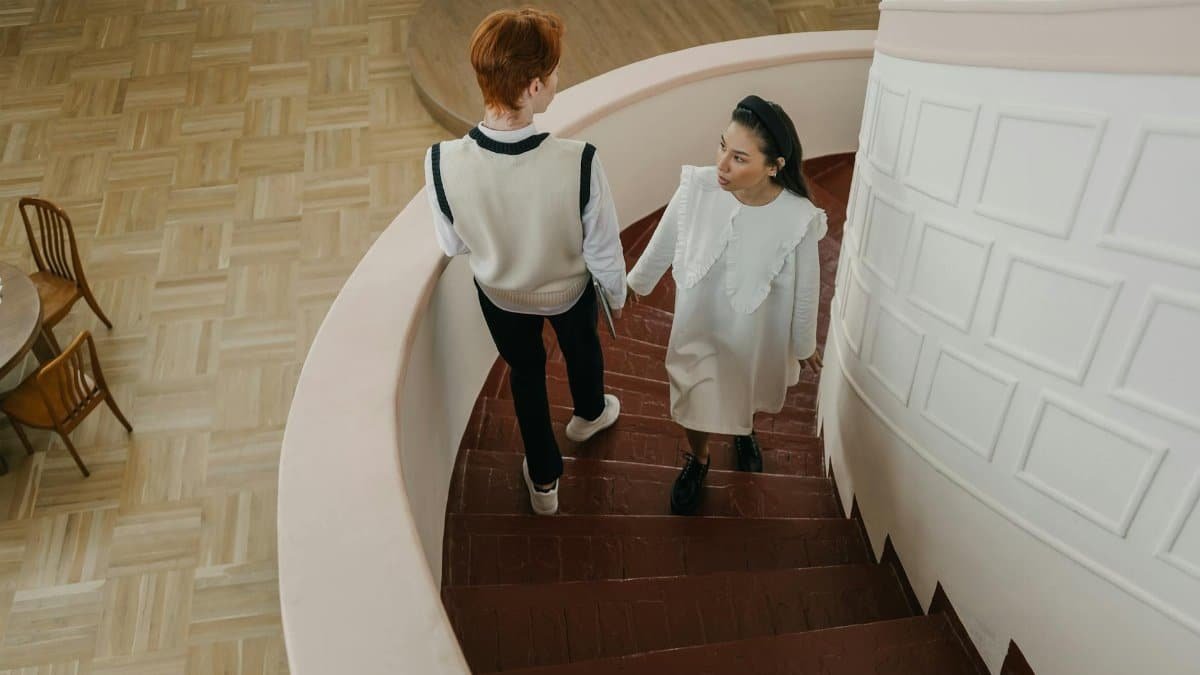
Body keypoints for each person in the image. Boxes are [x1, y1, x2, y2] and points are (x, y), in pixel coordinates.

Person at [424, 8, 627, 516]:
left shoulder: (440, 163)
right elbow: (603, 248)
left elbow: (452, 245)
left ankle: (543, 482)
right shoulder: (578, 159)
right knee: (582, 351)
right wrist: (617, 297)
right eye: (554, 71)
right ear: (534, 87)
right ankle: (589, 414)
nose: (558, 78)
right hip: (569, 292)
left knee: (525, 374)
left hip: (500, 297)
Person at [626, 95, 825, 516]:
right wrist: (634, 285)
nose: (721, 165)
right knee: (693, 392)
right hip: (698, 320)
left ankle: (743, 430)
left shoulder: (798, 217)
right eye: (721, 147)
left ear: (774, 166)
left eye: (738, 158)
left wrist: (804, 345)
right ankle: (698, 459)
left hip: (756, 331)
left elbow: (808, 289)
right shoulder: (698, 186)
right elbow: (665, 240)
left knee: (744, 385)